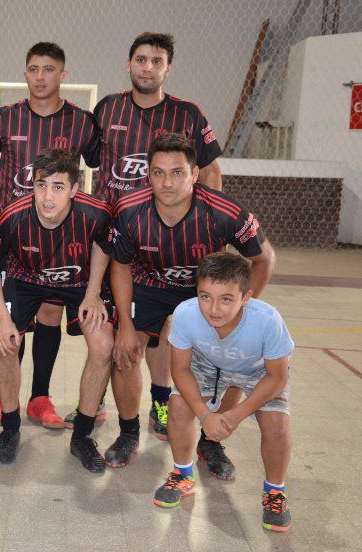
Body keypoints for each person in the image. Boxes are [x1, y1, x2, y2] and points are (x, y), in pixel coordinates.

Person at [106, 132, 275, 474]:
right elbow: (120, 264)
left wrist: (238, 313)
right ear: (148, 174)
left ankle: (211, 443)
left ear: (195, 174)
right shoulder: (129, 210)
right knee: (123, 354)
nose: (167, 182)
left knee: (226, 362)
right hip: (148, 283)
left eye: (178, 172)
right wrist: (124, 323)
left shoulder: (224, 212)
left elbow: (265, 259)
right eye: (158, 172)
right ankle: (128, 433)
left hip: (202, 290)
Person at [93, 32, 224, 440]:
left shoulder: (188, 114)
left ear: (168, 68)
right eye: (141, 59)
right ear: (129, 64)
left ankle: (160, 401)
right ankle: (97, 400)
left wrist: (208, 228)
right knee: (108, 327)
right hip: (116, 241)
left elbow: (212, 172)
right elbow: (88, 162)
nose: (148, 67)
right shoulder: (107, 109)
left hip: (170, 243)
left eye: (157, 61)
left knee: (168, 330)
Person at [0, 41, 102, 430]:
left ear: (63, 75)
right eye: (33, 69)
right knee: (12, 318)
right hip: (16, 232)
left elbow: (99, 163)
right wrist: (2, 191)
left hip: (60, 232)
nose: (40, 76)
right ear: (25, 73)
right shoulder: (5, 118)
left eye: (49, 69)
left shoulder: (82, 121)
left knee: (51, 310)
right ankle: (4, 399)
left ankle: (40, 397)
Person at [153, 251, 293, 533]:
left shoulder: (268, 320)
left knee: (277, 425)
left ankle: (275, 492)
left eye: (226, 299)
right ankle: (182, 473)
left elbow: (277, 377)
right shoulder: (185, 314)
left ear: (246, 297)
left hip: (257, 372)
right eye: (205, 296)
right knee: (178, 406)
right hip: (208, 363)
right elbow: (180, 371)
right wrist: (206, 416)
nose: (214, 308)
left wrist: (235, 415)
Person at [0, 149, 114, 466]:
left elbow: (102, 244)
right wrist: (2, 319)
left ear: (75, 189)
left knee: (103, 347)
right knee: (5, 343)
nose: (47, 196)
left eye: (58, 187)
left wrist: (94, 291)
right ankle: (10, 429)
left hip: (78, 281)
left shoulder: (96, 213)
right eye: (41, 185)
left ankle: (82, 437)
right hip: (24, 277)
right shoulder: (11, 215)